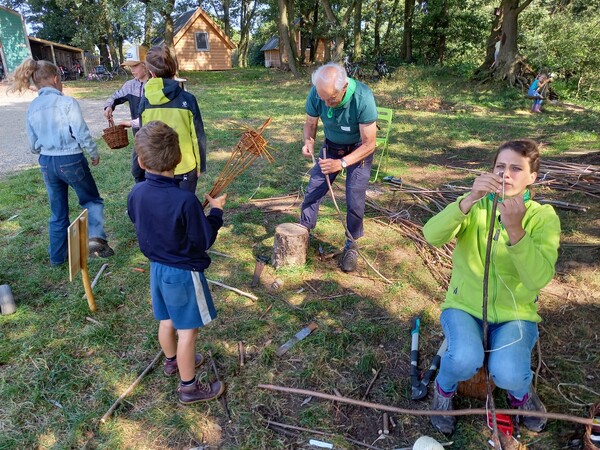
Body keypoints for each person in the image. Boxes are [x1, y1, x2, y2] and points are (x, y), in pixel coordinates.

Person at [423, 139, 560, 435]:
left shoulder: (542, 217)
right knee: (463, 359)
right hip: (464, 307)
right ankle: (443, 392)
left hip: (516, 313)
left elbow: (538, 279)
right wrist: (468, 201)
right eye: (500, 167)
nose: (506, 175)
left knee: (509, 372)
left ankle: (521, 395)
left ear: (532, 178)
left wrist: (515, 229)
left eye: (516, 168)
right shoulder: (475, 205)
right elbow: (431, 235)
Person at [127, 121, 226, 404]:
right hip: (182, 274)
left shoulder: (136, 193)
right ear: (179, 158)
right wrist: (216, 212)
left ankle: (172, 361)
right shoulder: (185, 200)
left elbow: (136, 218)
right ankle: (188, 387)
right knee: (187, 332)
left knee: (167, 320)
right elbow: (204, 239)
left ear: (142, 161)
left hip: (157, 270)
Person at [9, 59, 114, 266]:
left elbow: (32, 144)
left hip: (47, 162)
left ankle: (57, 258)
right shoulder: (67, 103)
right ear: (56, 79)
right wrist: (93, 153)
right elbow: (82, 133)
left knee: (57, 212)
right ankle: (96, 240)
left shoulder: (33, 107)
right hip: (71, 159)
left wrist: (45, 149)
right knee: (91, 200)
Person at [300, 62, 378, 272]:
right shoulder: (318, 92)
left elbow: (370, 143)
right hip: (332, 146)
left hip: (358, 148)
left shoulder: (362, 97)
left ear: (344, 87)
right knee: (314, 188)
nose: (325, 103)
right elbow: (310, 123)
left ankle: (351, 243)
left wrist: (341, 163)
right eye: (322, 98)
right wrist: (308, 140)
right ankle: (303, 232)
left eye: (331, 98)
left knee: (354, 197)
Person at [134, 46, 207, 193]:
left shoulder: (145, 101)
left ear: (151, 72)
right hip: (186, 167)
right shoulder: (188, 99)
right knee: (184, 208)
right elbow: (198, 136)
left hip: (156, 170)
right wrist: (200, 166)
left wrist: (141, 169)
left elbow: (143, 138)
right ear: (174, 69)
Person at [103, 47, 150, 183]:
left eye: (135, 66)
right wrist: (109, 106)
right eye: (130, 67)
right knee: (137, 170)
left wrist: (131, 123)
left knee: (155, 170)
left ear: (145, 65)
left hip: (155, 135)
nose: (132, 70)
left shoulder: (156, 84)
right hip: (139, 137)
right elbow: (114, 97)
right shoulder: (130, 85)